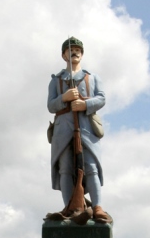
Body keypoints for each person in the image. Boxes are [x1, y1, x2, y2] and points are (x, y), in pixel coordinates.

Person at [47, 37, 110, 223]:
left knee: (91, 168)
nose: (74, 52)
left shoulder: (92, 77)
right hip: (63, 130)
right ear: (63, 55)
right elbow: (51, 106)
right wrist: (64, 98)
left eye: (77, 50)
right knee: (65, 169)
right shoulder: (56, 81)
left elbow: (102, 98)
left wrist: (84, 105)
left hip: (87, 130)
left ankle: (97, 207)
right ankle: (70, 207)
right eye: (69, 50)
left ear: (81, 54)